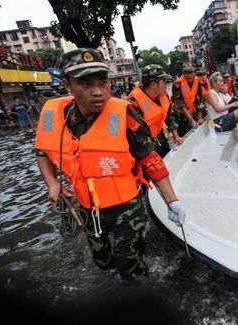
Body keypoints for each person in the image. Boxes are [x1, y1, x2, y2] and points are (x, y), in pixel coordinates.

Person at [34, 48, 186, 284]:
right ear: (67, 85)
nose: (98, 92)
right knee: (104, 263)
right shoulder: (55, 115)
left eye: (103, 82)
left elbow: (151, 160)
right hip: (87, 207)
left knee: (130, 267)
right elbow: (42, 150)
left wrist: (172, 201)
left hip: (125, 206)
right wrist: (52, 183)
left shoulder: (126, 115)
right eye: (85, 83)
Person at [127, 64, 183, 158]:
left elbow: (170, 117)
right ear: (153, 84)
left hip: (160, 139)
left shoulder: (163, 96)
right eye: (164, 81)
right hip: (144, 150)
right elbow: (137, 138)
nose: (166, 84)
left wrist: (176, 136)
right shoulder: (134, 103)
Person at [205, 72, 238, 141]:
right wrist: (233, 104)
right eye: (220, 81)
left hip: (223, 119)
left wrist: (236, 103)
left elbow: (227, 104)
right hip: (218, 123)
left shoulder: (218, 93)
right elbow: (217, 109)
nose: (223, 83)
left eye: (222, 81)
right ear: (213, 83)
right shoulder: (211, 93)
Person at [171, 62, 205, 136]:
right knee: (185, 136)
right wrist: (191, 120)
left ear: (195, 73)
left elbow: (199, 101)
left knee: (198, 133)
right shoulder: (176, 85)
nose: (188, 75)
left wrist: (200, 118)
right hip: (181, 116)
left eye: (191, 72)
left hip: (194, 112)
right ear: (183, 73)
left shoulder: (198, 82)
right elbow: (181, 105)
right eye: (186, 72)